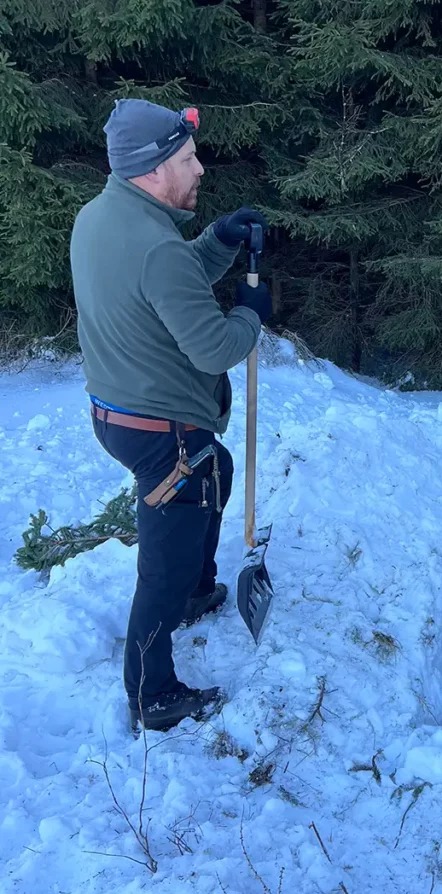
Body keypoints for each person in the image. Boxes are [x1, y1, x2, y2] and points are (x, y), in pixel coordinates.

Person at [70, 99, 273, 733]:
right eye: (187, 159)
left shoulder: (99, 217)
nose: (201, 169)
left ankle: (194, 589)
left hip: (117, 412)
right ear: (153, 169)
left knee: (220, 472)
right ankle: (151, 693)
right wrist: (252, 312)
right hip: (164, 432)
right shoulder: (156, 248)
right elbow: (214, 345)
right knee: (163, 560)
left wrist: (216, 241)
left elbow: (166, 278)